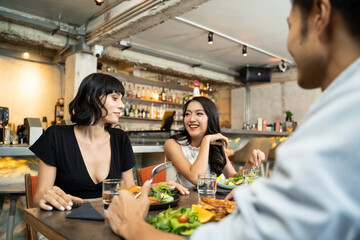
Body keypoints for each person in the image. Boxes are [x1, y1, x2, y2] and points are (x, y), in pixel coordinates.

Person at [105, 0, 360, 239]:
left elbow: (256, 224)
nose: (289, 44)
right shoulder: (341, 110)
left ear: (321, 15)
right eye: (188, 114)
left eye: (290, 27)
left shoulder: (339, 122)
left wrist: (132, 226)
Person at [30, 73, 188, 212]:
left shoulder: (120, 139)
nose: (122, 105)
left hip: (110, 220)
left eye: (121, 99)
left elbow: (129, 192)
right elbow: (39, 199)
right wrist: (49, 198)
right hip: (67, 222)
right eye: (115, 98)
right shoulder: (56, 136)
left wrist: (153, 188)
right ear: (91, 98)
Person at [164, 96, 265, 187]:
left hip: (205, 203)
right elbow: (196, 179)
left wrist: (250, 163)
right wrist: (206, 140)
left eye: (199, 113)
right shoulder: (172, 144)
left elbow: (233, 179)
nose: (192, 119)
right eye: (187, 114)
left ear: (211, 118)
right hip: (179, 206)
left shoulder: (215, 146)